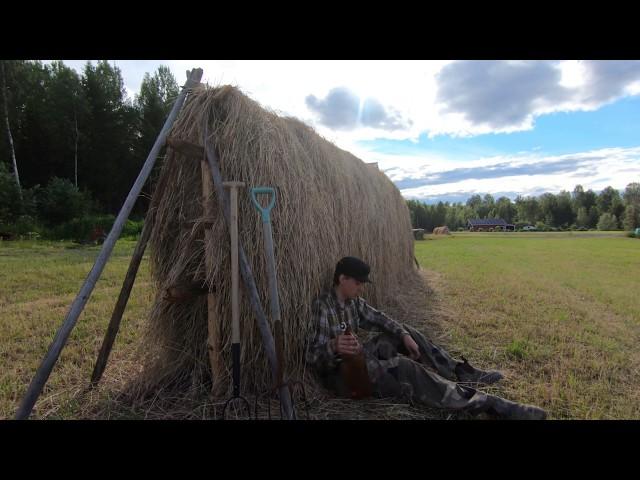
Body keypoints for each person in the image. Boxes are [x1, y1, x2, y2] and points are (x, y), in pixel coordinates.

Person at [305, 256, 547, 420]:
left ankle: (460, 371)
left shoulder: (353, 302)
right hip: (343, 377)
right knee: (405, 367)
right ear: (342, 279)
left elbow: (379, 318)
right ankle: (487, 405)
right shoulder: (323, 307)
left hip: (360, 358)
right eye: (358, 283)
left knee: (403, 332)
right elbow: (312, 357)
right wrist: (334, 345)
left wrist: (404, 334)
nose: (361, 288)